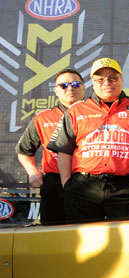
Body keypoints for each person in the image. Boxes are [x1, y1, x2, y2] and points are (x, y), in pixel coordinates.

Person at [47, 58, 129, 222]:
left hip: (123, 187)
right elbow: (64, 150)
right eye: (100, 79)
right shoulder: (76, 110)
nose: (106, 83)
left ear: (122, 80)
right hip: (83, 186)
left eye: (112, 78)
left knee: (126, 240)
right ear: (92, 82)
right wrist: (66, 184)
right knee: (82, 241)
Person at [16, 68, 85, 223]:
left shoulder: (98, 114)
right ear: (56, 91)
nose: (70, 88)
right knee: (52, 230)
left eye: (75, 84)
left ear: (83, 87)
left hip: (87, 181)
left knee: (87, 230)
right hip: (54, 183)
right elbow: (23, 151)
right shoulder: (42, 118)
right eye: (63, 86)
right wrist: (33, 172)